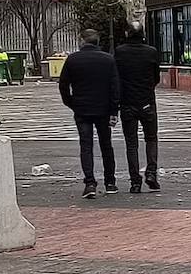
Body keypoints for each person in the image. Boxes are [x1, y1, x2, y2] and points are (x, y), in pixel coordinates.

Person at [58, 28, 120, 198]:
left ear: (82, 41)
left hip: (82, 109)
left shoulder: (73, 60)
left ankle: (90, 183)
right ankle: (110, 182)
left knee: (86, 146)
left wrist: (71, 103)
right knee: (106, 145)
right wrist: (114, 110)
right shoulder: (108, 60)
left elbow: (63, 85)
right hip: (103, 109)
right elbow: (115, 87)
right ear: (97, 41)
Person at [113, 22, 162, 194]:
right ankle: (151, 173)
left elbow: (116, 78)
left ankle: (135, 181)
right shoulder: (151, 52)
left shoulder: (120, 52)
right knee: (151, 138)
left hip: (127, 103)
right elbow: (156, 77)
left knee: (131, 144)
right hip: (147, 101)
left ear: (127, 34)